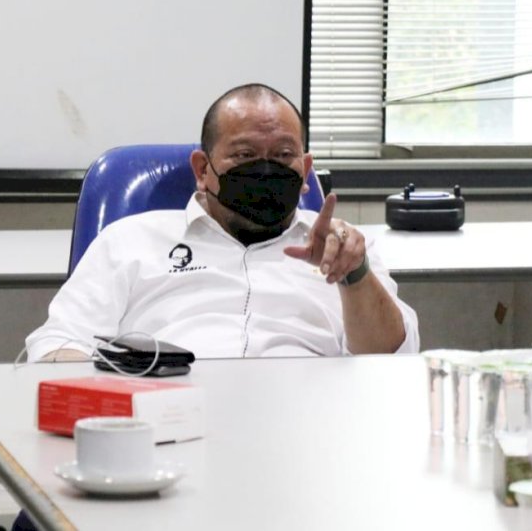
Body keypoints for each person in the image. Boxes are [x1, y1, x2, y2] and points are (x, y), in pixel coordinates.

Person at [25, 83, 419, 363]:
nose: (265, 169)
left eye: (284, 155)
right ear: (202, 169)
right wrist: (109, 395)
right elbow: (57, 342)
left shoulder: (344, 249)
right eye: (245, 155)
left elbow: (392, 360)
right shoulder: (130, 240)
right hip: (164, 418)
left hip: (309, 421)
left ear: (305, 169)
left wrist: (354, 276)